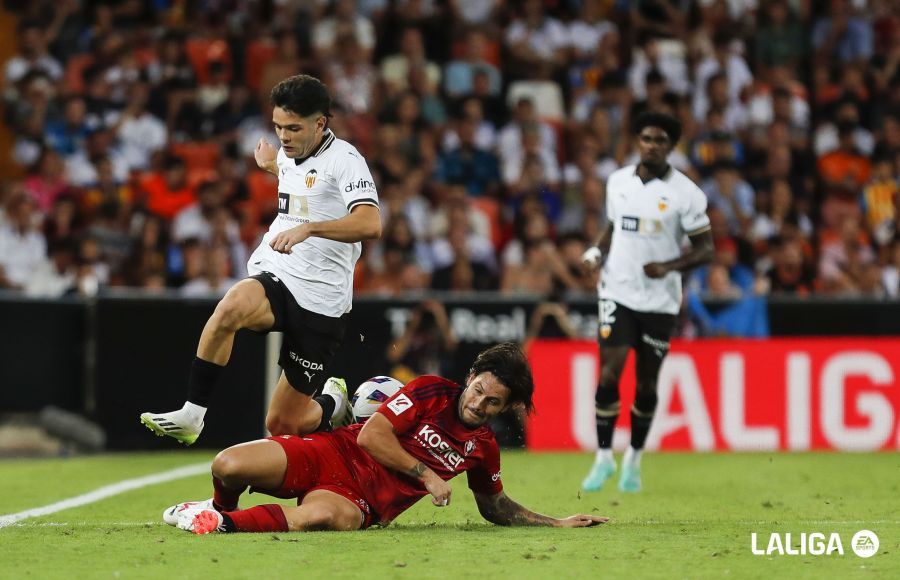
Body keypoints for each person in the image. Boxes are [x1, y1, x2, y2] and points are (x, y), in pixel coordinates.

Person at [141, 75, 382, 444]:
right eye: (278, 127)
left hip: (323, 301)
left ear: (320, 124)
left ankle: (333, 405)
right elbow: (297, 174)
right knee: (230, 307)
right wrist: (271, 165)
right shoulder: (288, 154)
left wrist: (309, 229)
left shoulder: (346, 160)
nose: (283, 137)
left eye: (293, 128)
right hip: (281, 274)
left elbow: (370, 222)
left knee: (283, 424)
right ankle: (193, 414)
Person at [163, 343, 608, 534]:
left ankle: (217, 524)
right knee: (226, 465)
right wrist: (427, 476)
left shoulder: (483, 449)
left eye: (492, 403)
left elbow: (495, 506)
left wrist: (558, 522)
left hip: (363, 503)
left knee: (310, 519)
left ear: (506, 407)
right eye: (477, 391)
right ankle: (218, 506)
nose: (478, 405)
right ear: (469, 377)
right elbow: (372, 436)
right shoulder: (431, 389)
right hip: (331, 452)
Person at [580, 112, 714, 493]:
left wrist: (669, 266)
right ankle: (604, 457)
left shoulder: (686, 193)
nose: (652, 145)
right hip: (617, 290)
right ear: (637, 140)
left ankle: (634, 459)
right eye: (646, 138)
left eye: (660, 140)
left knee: (647, 385)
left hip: (659, 301)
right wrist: (595, 252)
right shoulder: (617, 181)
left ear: (671, 146)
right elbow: (613, 226)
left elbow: (706, 250)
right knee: (609, 372)